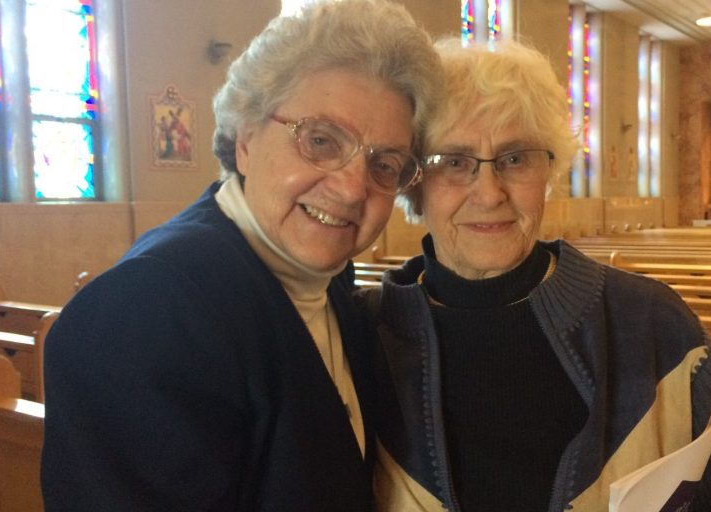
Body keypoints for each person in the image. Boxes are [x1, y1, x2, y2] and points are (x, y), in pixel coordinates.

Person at [363, 39, 711, 512]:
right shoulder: (362, 335)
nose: (489, 193)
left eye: (515, 158)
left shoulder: (654, 325)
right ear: (413, 182)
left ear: (549, 169)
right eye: (453, 162)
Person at [40, 1, 442, 510]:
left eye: (384, 164)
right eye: (320, 140)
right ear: (246, 137)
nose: (351, 187)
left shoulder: (330, 279)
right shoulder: (145, 310)